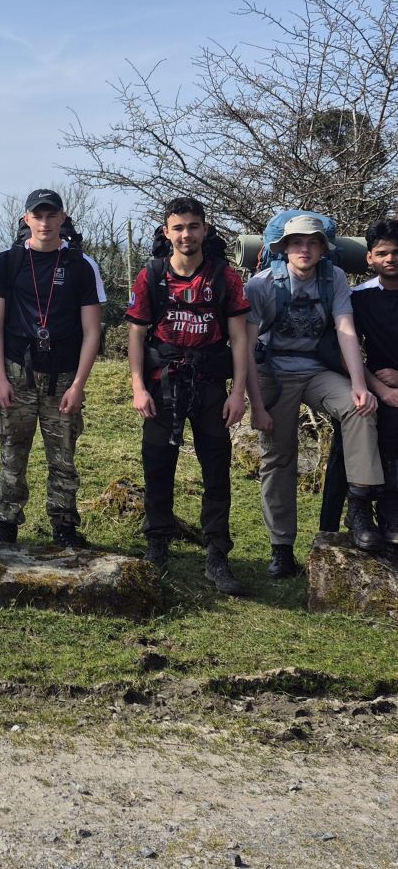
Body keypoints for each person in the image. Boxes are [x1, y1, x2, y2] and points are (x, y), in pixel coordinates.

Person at [246, 213, 384, 575]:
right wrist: (255, 405)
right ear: (284, 248)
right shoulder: (261, 285)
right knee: (279, 457)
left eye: (312, 243)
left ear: (324, 248)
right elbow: (243, 349)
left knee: (359, 409)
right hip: (273, 372)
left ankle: (358, 510)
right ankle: (282, 547)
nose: (304, 249)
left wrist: (359, 384)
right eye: (296, 243)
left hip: (317, 368)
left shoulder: (333, 276)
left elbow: (346, 332)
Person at [125, 197, 249, 594]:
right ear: (166, 232)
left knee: (216, 471)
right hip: (163, 383)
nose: (186, 234)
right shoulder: (152, 276)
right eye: (178, 228)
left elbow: (240, 338)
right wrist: (138, 387)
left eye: (193, 226)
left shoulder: (225, 277)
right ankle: (157, 543)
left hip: (211, 383)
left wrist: (239, 393)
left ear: (205, 229)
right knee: (158, 465)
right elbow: (136, 334)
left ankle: (217, 553)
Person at [0, 189, 102, 548]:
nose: (45, 223)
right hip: (18, 371)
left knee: (63, 456)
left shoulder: (82, 265)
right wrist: (0, 379)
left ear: (63, 219)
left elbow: (92, 330)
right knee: (12, 452)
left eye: (52, 216)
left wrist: (79, 385)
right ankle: (6, 524)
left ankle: (64, 525)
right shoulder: (6, 262)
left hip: (64, 375)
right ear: (26, 220)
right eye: (38, 216)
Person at [338, 219, 398, 545]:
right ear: (370, 258)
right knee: (378, 419)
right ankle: (383, 513)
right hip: (379, 387)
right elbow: (349, 353)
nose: (391, 259)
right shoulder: (359, 298)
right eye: (383, 253)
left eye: (397, 252)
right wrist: (384, 389)